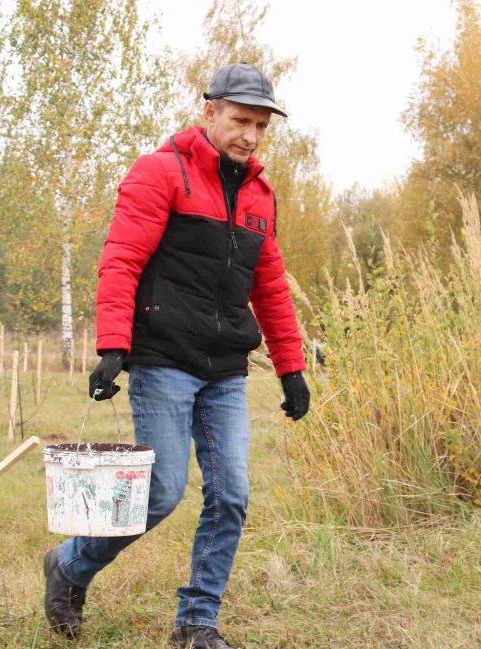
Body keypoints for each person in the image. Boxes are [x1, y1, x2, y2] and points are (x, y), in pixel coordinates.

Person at [43, 63, 310, 648]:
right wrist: (113, 345)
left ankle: (197, 622)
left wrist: (292, 368)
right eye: (241, 121)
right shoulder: (160, 172)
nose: (250, 135)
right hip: (164, 359)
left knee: (232, 496)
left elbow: (269, 286)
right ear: (209, 111)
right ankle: (69, 566)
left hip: (225, 371)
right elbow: (121, 260)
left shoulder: (261, 194)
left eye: (261, 125)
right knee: (160, 492)